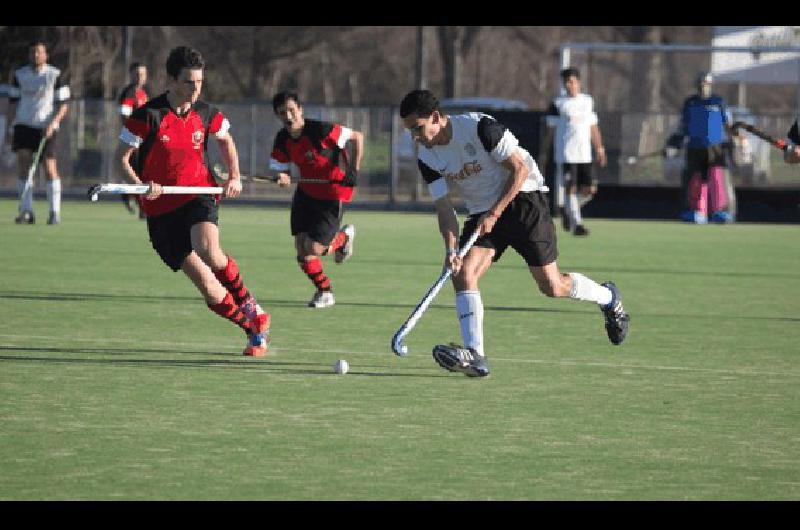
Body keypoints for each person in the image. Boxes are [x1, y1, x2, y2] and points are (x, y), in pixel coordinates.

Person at [399, 89, 629, 378]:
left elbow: (519, 169)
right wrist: (451, 249)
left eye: (418, 129)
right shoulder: (427, 157)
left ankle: (608, 298)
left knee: (552, 286)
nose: (415, 137)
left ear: (435, 117)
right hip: (483, 212)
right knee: (463, 272)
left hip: (524, 199)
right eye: (410, 131)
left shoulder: (480, 127)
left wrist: (496, 212)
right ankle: (475, 355)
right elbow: (444, 209)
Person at [118, 46, 270, 357]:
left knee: (208, 249)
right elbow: (120, 159)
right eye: (189, 81)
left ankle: (249, 304)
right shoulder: (147, 115)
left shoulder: (207, 113)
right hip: (160, 209)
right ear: (171, 80)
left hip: (199, 193)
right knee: (207, 285)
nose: (195, 88)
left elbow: (226, 140)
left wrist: (234, 176)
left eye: (199, 81)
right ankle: (251, 330)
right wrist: (140, 187)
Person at [267, 91, 363, 308]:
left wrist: (354, 170)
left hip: (334, 193)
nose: (288, 116)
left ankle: (343, 238)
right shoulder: (282, 139)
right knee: (301, 250)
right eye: (283, 113)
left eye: (292, 110)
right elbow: (281, 169)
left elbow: (358, 137)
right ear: (278, 116)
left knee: (314, 249)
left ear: (300, 109)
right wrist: (282, 177)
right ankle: (325, 291)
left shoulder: (321, 130)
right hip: (306, 192)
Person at [5, 41, 70, 225]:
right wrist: (10, 128)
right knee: (24, 166)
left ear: (45, 55)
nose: (35, 56)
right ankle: (26, 211)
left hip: (46, 128)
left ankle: (54, 212)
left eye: (39, 53)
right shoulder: (20, 75)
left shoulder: (55, 75)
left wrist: (54, 123)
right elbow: (12, 104)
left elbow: (63, 104)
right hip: (24, 126)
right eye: (32, 52)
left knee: (50, 168)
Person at [666, 72, 738, 224]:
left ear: (710, 85)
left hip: (716, 148)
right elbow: (682, 127)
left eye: (706, 84)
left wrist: (737, 140)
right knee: (695, 180)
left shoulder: (718, 102)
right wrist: (673, 144)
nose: (703, 87)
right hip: (694, 148)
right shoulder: (690, 103)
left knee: (717, 178)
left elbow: (729, 124)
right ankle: (696, 210)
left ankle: (722, 211)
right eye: (700, 84)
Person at [546, 67, 607, 236]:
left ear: (578, 82)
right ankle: (577, 224)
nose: (569, 85)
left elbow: (593, 126)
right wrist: (546, 153)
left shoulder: (587, 101)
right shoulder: (558, 103)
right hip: (566, 154)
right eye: (566, 82)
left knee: (590, 190)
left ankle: (569, 209)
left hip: (585, 154)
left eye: (572, 82)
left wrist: (599, 148)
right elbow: (549, 130)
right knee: (570, 188)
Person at [117, 62, 149, 217]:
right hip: (133, 141)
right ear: (131, 75)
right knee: (138, 173)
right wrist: (133, 135)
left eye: (142, 74)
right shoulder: (129, 93)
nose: (140, 77)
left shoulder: (143, 93)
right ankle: (141, 206)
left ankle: (137, 202)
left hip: (142, 140)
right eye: (136, 74)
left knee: (142, 172)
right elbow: (124, 116)